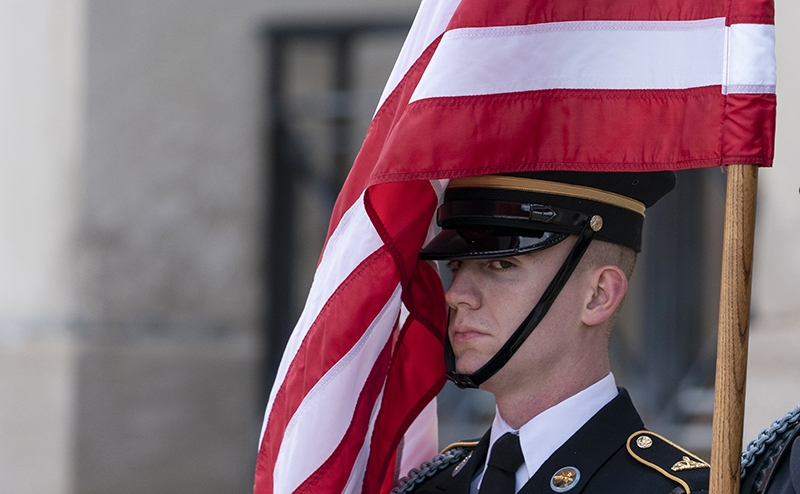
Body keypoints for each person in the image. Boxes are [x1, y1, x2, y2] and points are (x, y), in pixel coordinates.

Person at [393, 171, 710, 494]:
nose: (457, 294)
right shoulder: (426, 485)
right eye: (456, 266)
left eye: (502, 264)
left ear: (598, 295)